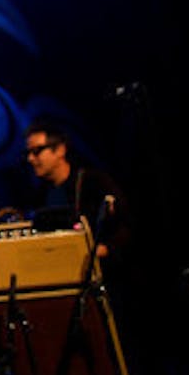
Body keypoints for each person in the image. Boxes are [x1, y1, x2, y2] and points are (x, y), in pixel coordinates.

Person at [24, 117, 132, 282]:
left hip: (106, 278)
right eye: (28, 153)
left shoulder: (93, 182)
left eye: (37, 151)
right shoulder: (38, 195)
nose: (30, 158)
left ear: (60, 150)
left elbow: (126, 223)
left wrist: (105, 249)